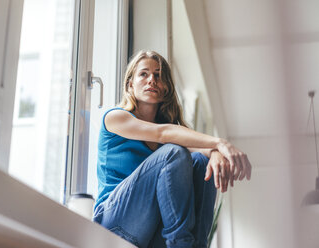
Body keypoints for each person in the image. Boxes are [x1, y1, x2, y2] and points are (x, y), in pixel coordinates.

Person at [92, 50, 252, 248]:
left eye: (158, 75)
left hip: (148, 232)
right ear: (130, 84)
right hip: (113, 222)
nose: (152, 80)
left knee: (201, 162)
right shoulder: (116, 117)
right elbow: (163, 133)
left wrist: (214, 153)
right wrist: (221, 143)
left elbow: (189, 143)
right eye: (144, 74)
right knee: (173, 152)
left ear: (166, 87)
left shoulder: (168, 135)